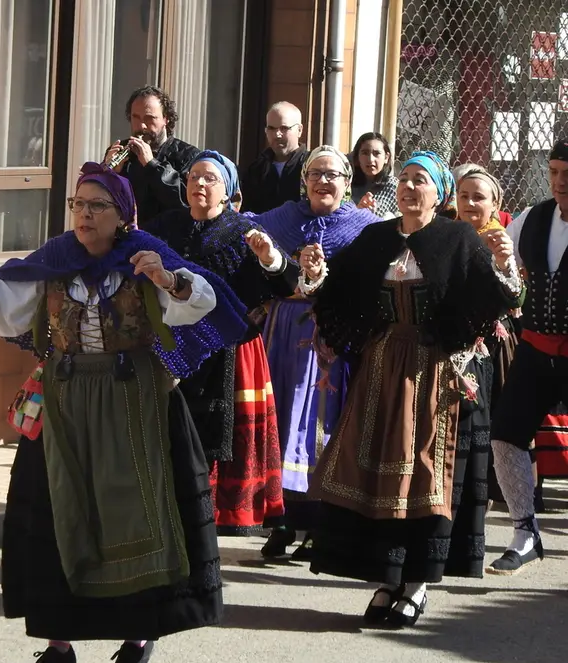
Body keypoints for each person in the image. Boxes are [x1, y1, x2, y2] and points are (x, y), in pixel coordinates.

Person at [0, 163, 248, 663]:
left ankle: (139, 633)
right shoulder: (57, 259)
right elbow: (8, 290)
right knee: (59, 514)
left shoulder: (144, 257)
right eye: (78, 205)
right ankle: (58, 645)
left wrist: (165, 279)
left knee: (133, 512)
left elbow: (202, 299)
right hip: (65, 405)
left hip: (135, 404)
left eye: (97, 206)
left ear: (122, 216)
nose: (85, 215)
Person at [299, 151, 523, 626]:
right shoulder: (376, 238)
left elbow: (496, 297)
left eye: (420, 180)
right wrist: (317, 273)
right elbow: (339, 292)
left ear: (439, 192)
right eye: (403, 179)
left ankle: (417, 582)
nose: (408, 187)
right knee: (379, 476)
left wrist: (505, 265)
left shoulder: (457, 238)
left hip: (437, 372)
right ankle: (387, 577)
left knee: (424, 476)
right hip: (382, 370)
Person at [144, 150, 299, 536]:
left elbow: (287, 284)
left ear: (228, 189)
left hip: (231, 350)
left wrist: (271, 259)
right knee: (170, 434)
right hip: (173, 347)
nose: (199, 183)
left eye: (210, 178)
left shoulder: (244, 232)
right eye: (194, 175)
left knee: (219, 438)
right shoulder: (167, 227)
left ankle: (215, 518)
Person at [245, 146, 380, 558]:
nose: (324, 181)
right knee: (282, 420)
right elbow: (246, 246)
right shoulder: (281, 218)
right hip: (283, 335)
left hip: (332, 340)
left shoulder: (365, 227)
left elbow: (370, 282)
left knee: (322, 425)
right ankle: (281, 522)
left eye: (333, 174)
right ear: (304, 179)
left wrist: (328, 278)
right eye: (316, 173)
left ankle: (318, 526)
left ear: (347, 181)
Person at [486, 141, 568, 575]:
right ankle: (525, 532)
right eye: (554, 171)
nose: (560, 181)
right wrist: (501, 260)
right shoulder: (534, 218)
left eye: (567, 172)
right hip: (536, 349)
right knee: (505, 436)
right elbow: (505, 267)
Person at [456, 166, 523, 506]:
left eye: (478, 197)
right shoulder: (446, 233)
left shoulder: (501, 239)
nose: (469, 203)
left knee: (492, 426)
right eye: (463, 196)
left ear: (496, 203)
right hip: (451, 346)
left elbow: (515, 297)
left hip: (492, 347)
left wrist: (499, 260)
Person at [103, 85, 200, 225]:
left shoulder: (188, 156)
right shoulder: (120, 150)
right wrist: (109, 175)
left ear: (166, 119)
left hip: (168, 242)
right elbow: (101, 202)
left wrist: (152, 165)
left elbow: (185, 202)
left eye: (149, 118)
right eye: (136, 117)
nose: (142, 126)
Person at [242, 102, 310, 213]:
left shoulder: (313, 167)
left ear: (299, 130)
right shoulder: (256, 170)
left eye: (284, 128)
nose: (277, 134)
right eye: (271, 128)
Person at [351, 132, 399, 219]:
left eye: (376, 153)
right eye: (365, 153)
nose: (370, 159)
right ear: (357, 157)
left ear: (386, 157)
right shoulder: (347, 185)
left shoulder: (393, 186)